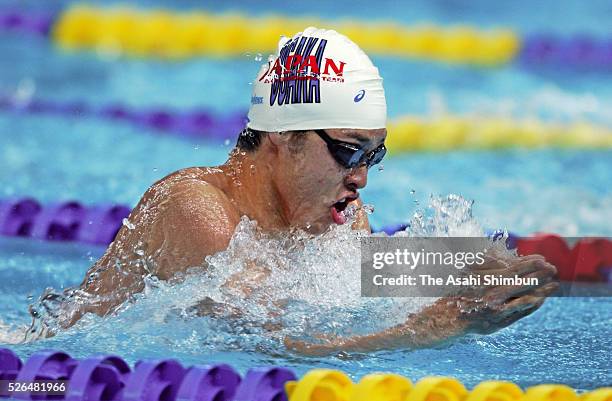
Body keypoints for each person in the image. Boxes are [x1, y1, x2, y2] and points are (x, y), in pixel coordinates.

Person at [33, 27, 558, 354]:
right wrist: (436, 325)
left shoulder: (337, 215)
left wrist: (477, 268)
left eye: (373, 155)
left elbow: (356, 275)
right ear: (284, 137)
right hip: (46, 372)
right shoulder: (197, 211)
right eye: (349, 152)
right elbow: (279, 347)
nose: (362, 179)